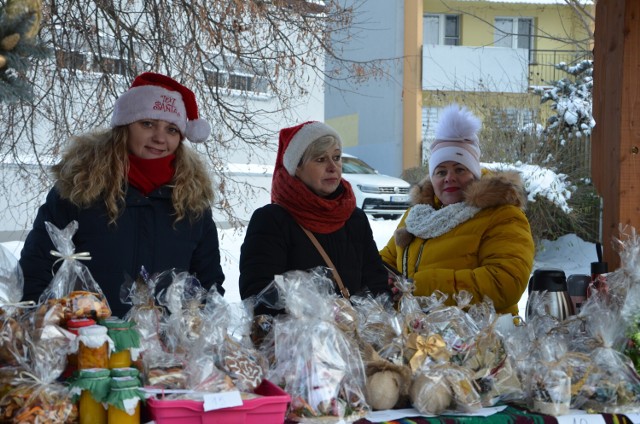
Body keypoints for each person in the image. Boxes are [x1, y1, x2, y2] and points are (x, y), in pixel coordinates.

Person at [19, 72, 225, 318]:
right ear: (125, 127)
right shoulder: (79, 187)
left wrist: (200, 336)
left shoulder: (193, 200)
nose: (160, 138)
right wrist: (38, 328)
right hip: (87, 345)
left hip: (166, 351)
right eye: (147, 124)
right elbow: (36, 267)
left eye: (171, 129)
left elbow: (208, 284)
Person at [380, 104, 534, 315]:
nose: (449, 178)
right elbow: (387, 261)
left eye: (459, 169)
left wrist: (418, 287)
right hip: (421, 337)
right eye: (441, 171)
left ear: (474, 173)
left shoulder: (503, 216)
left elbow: (505, 282)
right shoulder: (418, 215)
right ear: (432, 178)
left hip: (480, 339)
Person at [239, 121, 391, 315]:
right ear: (297, 168)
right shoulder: (272, 220)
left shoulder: (354, 218)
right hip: (297, 341)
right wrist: (317, 324)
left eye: (336, 158)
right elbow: (258, 294)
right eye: (320, 159)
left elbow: (376, 281)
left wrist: (374, 319)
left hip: (357, 339)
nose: (332, 167)